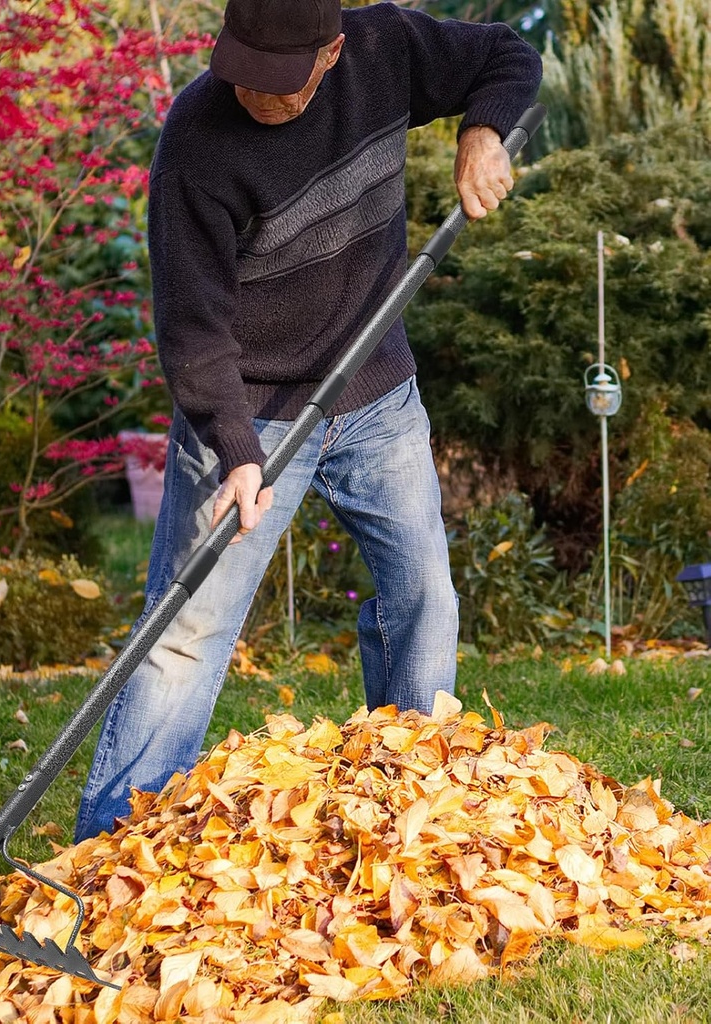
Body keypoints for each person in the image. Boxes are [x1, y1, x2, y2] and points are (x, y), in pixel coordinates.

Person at [75, 0, 542, 841]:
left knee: (425, 598)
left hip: (375, 396)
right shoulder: (197, 139)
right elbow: (192, 328)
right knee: (186, 634)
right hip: (250, 415)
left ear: (331, 53)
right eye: (242, 69)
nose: (254, 93)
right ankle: (107, 853)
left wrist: (482, 132)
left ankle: (407, 806)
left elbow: (505, 56)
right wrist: (238, 452)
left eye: (277, 80)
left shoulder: (387, 47)